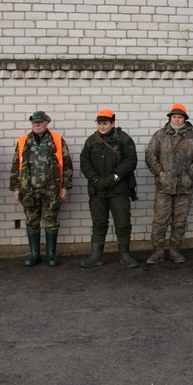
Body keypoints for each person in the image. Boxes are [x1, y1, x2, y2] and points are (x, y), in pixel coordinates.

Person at [144, 103, 193, 264]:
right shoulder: (160, 135)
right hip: (164, 187)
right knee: (160, 221)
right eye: (174, 117)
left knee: (179, 222)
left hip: (184, 188)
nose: (177, 120)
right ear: (170, 118)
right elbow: (150, 155)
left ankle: (175, 251)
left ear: (184, 119)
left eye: (179, 117)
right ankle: (157, 252)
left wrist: (189, 175)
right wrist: (160, 173)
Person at [10, 110, 74, 267]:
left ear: (46, 122)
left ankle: (51, 255)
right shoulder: (23, 141)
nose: (37, 124)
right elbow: (15, 166)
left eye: (40, 122)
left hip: (51, 189)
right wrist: (16, 188)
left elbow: (67, 165)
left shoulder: (57, 140)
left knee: (51, 221)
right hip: (29, 190)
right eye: (34, 122)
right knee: (32, 221)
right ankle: (35, 255)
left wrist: (65, 187)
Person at [79, 109, 139, 268]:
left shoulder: (124, 139)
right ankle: (96, 256)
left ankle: (125, 255)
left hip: (119, 190)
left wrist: (115, 177)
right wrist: (95, 179)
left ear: (112, 123)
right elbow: (85, 162)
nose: (102, 127)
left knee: (123, 223)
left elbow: (130, 161)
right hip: (97, 190)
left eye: (105, 123)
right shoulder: (91, 141)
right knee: (98, 223)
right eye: (99, 123)